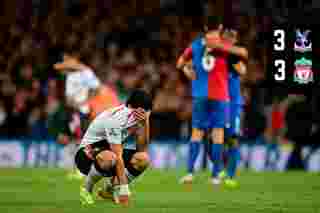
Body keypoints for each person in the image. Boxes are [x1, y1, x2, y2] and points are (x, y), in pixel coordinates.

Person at [75, 89, 152, 206]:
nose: (144, 114)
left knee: (143, 159)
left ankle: (108, 190)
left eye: (147, 111)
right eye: (142, 111)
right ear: (130, 106)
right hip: (86, 155)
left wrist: (145, 123)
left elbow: (142, 149)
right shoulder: (115, 120)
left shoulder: (140, 118)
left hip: (110, 153)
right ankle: (86, 189)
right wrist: (124, 189)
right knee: (110, 158)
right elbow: (118, 155)